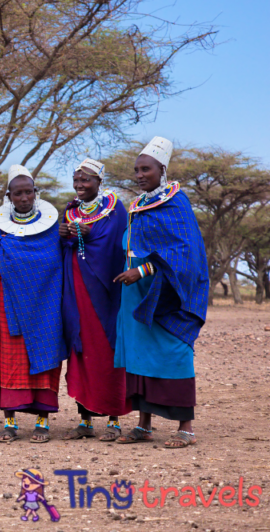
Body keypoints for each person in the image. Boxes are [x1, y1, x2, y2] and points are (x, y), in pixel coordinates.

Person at [113, 137, 209, 448]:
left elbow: (185, 251)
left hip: (166, 292)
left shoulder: (176, 203)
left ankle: (186, 428)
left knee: (174, 352)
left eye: (146, 169)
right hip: (135, 293)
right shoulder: (138, 205)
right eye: (137, 170)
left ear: (162, 169)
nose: (139, 175)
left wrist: (141, 270)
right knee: (139, 354)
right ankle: (144, 425)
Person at [0, 165, 65, 444]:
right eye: (18, 194)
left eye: (28, 193)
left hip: (43, 307)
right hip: (5, 305)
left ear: (36, 194)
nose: (24, 198)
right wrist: (4, 252)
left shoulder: (50, 230)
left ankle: (42, 423)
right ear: (8, 196)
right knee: (6, 360)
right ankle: (9, 422)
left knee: (43, 359)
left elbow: (53, 263)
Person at [58, 158, 132, 441]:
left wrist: (88, 236)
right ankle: (85, 419)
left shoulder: (114, 210)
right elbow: (65, 246)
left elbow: (117, 244)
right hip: (75, 292)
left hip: (105, 293)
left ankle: (114, 420)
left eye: (86, 179)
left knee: (108, 352)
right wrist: (63, 233)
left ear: (100, 182)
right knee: (81, 352)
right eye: (76, 180)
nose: (79, 185)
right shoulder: (70, 210)